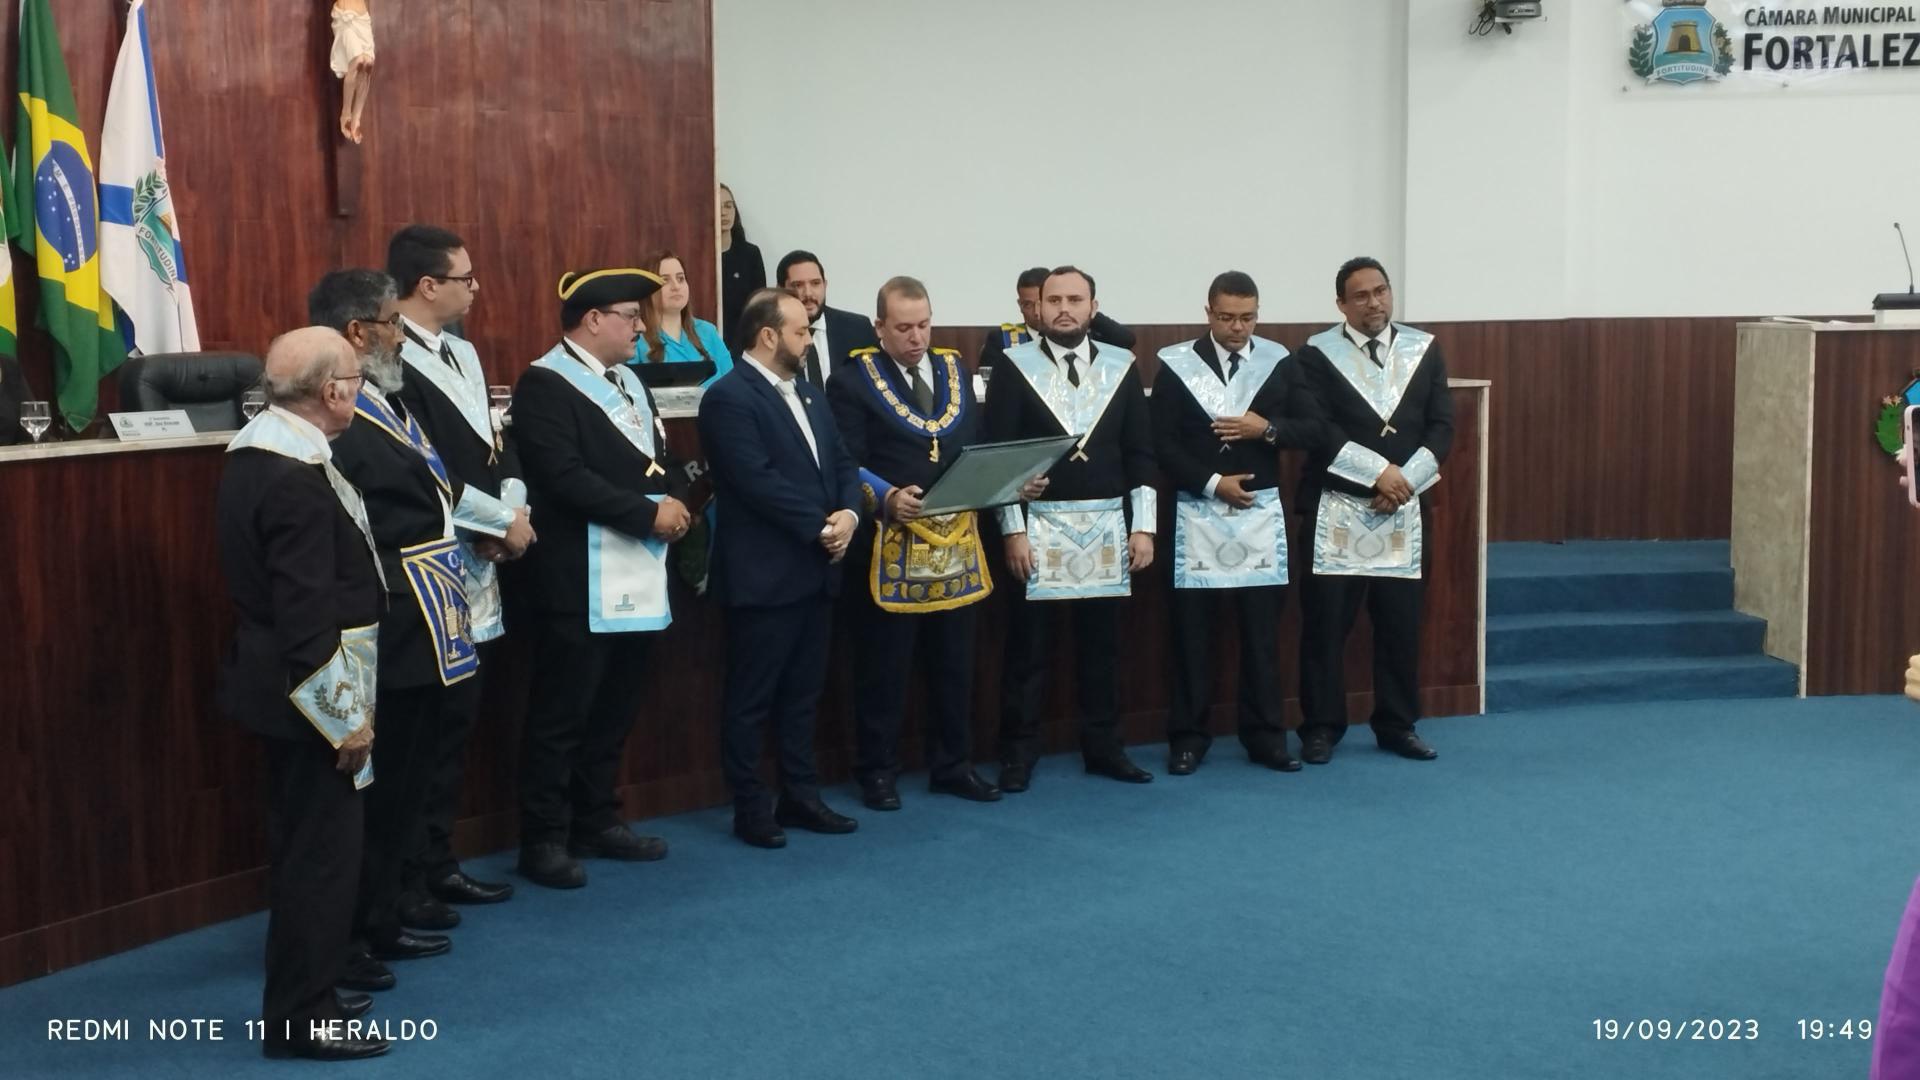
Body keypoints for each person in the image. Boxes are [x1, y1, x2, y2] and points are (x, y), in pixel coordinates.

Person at [215, 326, 387, 1060]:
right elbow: (305, 615)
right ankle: (301, 1019)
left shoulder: (263, 452)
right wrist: (343, 720)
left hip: (280, 686)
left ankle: (310, 989)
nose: (361, 389)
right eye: (357, 378)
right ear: (333, 391)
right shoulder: (292, 477)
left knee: (307, 853)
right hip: (309, 696)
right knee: (320, 860)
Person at [509, 268, 694, 888]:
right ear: (592, 320)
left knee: (616, 706)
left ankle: (597, 818)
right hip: (576, 576)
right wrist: (647, 513)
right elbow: (562, 477)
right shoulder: (544, 384)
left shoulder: (630, 381)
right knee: (562, 713)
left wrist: (677, 500)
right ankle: (544, 836)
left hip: (637, 569)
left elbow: (658, 459)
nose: (641, 327)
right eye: (630, 316)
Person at [827, 276, 1032, 811]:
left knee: (956, 664)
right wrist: (884, 496)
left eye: (923, 325)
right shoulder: (850, 381)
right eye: (903, 328)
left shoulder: (953, 368)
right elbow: (844, 461)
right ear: (879, 327)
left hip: (956, 542)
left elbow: (975, 445)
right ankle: (877, 771)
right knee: (884, 668)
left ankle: (953, 766)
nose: (916, 337)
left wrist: (1010, 481)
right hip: (889, 542)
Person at [385, 225, 525, 917]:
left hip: (483, 558)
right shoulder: (391, 360)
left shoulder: (462, 350)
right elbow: (425, 468)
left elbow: (497, 442)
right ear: (427, 285)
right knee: (426, 730)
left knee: (459, 723)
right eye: (465, 278)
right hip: (431, 562)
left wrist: (515, 512)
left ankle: (440, 860)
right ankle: (407, 876)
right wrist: (497, 522)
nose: (475, 288)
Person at [698, 288, 863, 848]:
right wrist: (822, 526)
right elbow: (755, 479)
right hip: (764, 575)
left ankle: (801, 796)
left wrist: (849, 514)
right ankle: (750, 807)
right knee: (752, 699)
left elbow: (843, 462)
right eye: (801, 331)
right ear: (768, 335)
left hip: (817, 568)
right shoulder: (727, 397)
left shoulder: (810, 392)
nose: (809, 339)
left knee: (803, 694)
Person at [983, 266, 1158, 791]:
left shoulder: (1121, 365)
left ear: (1093, 307)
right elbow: (999, 456)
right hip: (1037, 528)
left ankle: (1105, 748)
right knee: (1028, 651)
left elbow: (1140, 452)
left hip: (1107, 527)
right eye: (1054, 299)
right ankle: (1018, 752)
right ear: (1037, 306)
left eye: (1075, 299)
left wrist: (1144, 527)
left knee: (1103, 649)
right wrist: (1011, 531)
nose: (1064, 308)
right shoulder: (1013, 365)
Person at [1153, 271, 1324, 776]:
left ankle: (1267, 737)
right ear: (1208, 313)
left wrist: (1266, 429)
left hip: (1258, 517)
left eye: (1247, 318)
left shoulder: (1278, 361)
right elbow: (1161, 443)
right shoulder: (1177, 365)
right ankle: (1188, 738)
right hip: (1196, 512)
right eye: (1227, 317)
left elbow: (1313, 428)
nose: (1237, 328)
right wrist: (1212, 482)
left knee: (1262, 635)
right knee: (1192, 636)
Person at [1293, 257, 1454, 765]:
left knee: (1400, 627)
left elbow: (1442, 426)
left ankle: (1397, 725)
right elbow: (1318, 430)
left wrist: (1401, 483)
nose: (1374, 302)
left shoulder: (1424, 349)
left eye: (1380, 291)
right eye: (1360, 295)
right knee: (1325, 629)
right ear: (1341, 304)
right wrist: (1378, 474)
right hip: (1337, 509)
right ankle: (1321, 727)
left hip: (1402, 508)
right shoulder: (1315, 355)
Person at [978, 265, 1136, 372]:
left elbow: (1126, 340)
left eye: (1052, 301)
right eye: (1028, 305)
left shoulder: (1078, 333)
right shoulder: (1002, 339)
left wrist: (1085, 310)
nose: (1036, 312)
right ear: (1019, 305)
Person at [627, 248, 734, 389]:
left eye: (681, 279)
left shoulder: (708, 332)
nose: (676, 286)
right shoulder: (635, 337)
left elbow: (732, 385)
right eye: (665, 280)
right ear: (647, 288)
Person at [775, 250, 878, 388]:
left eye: (815, 283)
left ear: (825, 285)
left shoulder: (858, 328)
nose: (808, 293)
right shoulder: (773, 337)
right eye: (798, 285)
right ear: (780, 290)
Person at [718, 183, 765, 339]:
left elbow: (760, 305)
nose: (723, 213)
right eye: (718, 206)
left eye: (728, 206)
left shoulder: (750, 254)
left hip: (743, 339)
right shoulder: (700, 258)